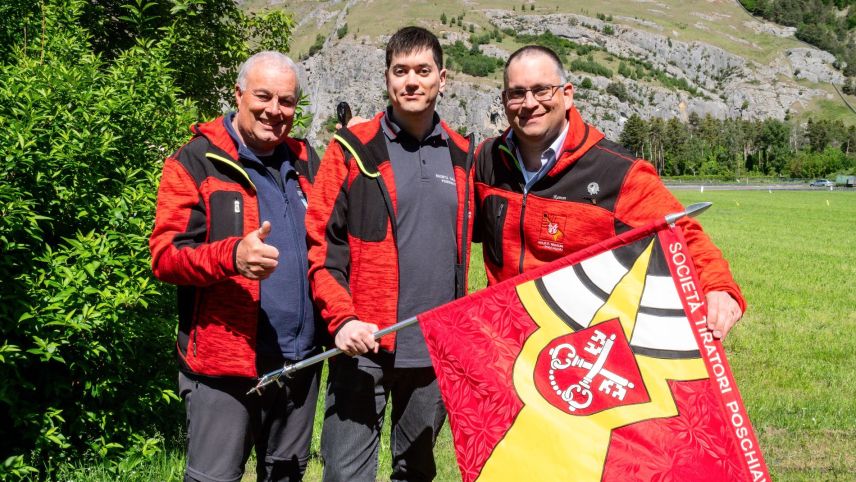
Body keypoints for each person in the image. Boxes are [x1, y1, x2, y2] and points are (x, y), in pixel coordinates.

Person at [474, 45, 745, 338]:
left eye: (542, 90)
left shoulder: (617, 172)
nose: (529, 103)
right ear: (504, 100)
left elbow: (681, 232)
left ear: (567, 95)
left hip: (576, 347)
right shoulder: (486, 159)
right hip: (502, 341)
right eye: (517, 93)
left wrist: (719, 288)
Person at [305, 26, 475, 482]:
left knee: (416, 471)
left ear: (444, 77)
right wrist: (342, 320)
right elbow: (321, 247)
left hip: (433, 348)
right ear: (387, 79)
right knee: (344, 474)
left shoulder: (464, 155)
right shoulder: (352, 149)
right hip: (363, 344)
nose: (412, 81)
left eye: (423, 71)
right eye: (401, 71)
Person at [149, 51, 321, 482]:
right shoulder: (195, 161)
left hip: (298, 365)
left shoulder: (307, 162)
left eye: (286, 102)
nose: (274, 111)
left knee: (286, 476)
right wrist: (231, 257)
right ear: (239, 94)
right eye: (263, 96)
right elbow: (165, 256)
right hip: (224, 367)